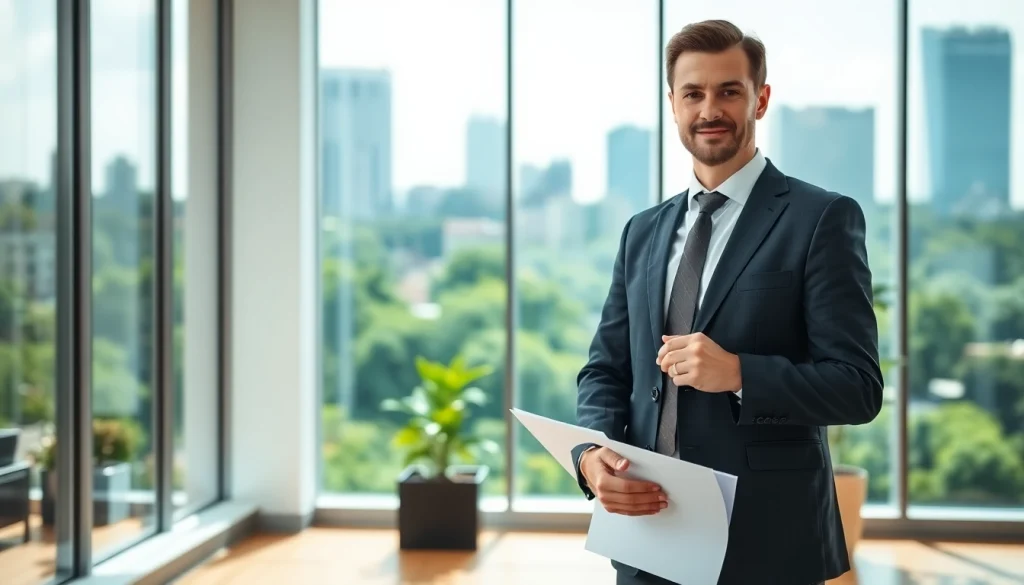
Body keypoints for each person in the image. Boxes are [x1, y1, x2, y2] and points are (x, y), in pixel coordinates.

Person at [571, 19, 884, 585]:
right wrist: (591, 456)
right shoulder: (641, 231)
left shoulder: (820, 219)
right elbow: (605, 370)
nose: (708, 109)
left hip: (766, 540)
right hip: (647, 535)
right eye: (693, 93)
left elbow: (857, 387)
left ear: (760, 100)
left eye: (728, 91)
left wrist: (740, 373)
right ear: (673, 104)